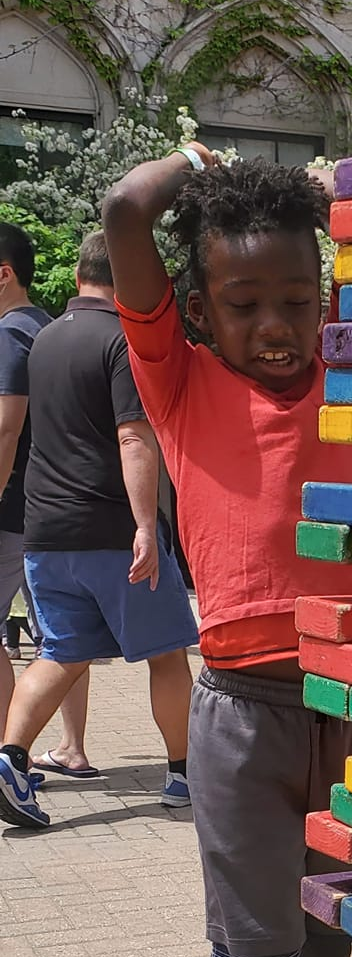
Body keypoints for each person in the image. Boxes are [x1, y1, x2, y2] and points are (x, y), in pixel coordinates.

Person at [101, 146, 352, 957]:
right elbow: (125, 214)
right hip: (242, 721)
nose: (274, 327)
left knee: (336, 955)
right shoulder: (179, 381)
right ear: (201, 311)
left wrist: (343, 197)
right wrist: (192, 163)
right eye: (244, 303)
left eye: (297, 301)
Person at [0, 231, 196, 832]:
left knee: (61, 651)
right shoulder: (123, 341)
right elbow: (134, 436)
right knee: (166, 655)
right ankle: (185, 774)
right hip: (113, 528)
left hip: (44, 531)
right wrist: (145, 525)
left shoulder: (44, 338)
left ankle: (9, 759)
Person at [0, 223, 51, 741]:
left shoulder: (9, 333)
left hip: (10, 504)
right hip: (48, 504)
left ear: (4, 275)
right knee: (60, 639)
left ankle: (6, 747)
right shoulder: (47, 327)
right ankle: (72, 747)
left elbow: (6, 426)